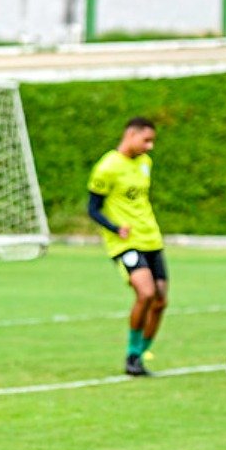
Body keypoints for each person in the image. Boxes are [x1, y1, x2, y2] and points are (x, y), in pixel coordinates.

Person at [87, 117, 166, 377]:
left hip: (151, 238)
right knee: (145, 293)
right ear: (131, 135)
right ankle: (132, 356)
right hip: (125, 243)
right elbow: (93, 209)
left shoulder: (145, 163)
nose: (150, 145)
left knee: (160, 300)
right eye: (146, 139)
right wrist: (115, 228)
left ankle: (141, 356)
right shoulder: (107, 167)